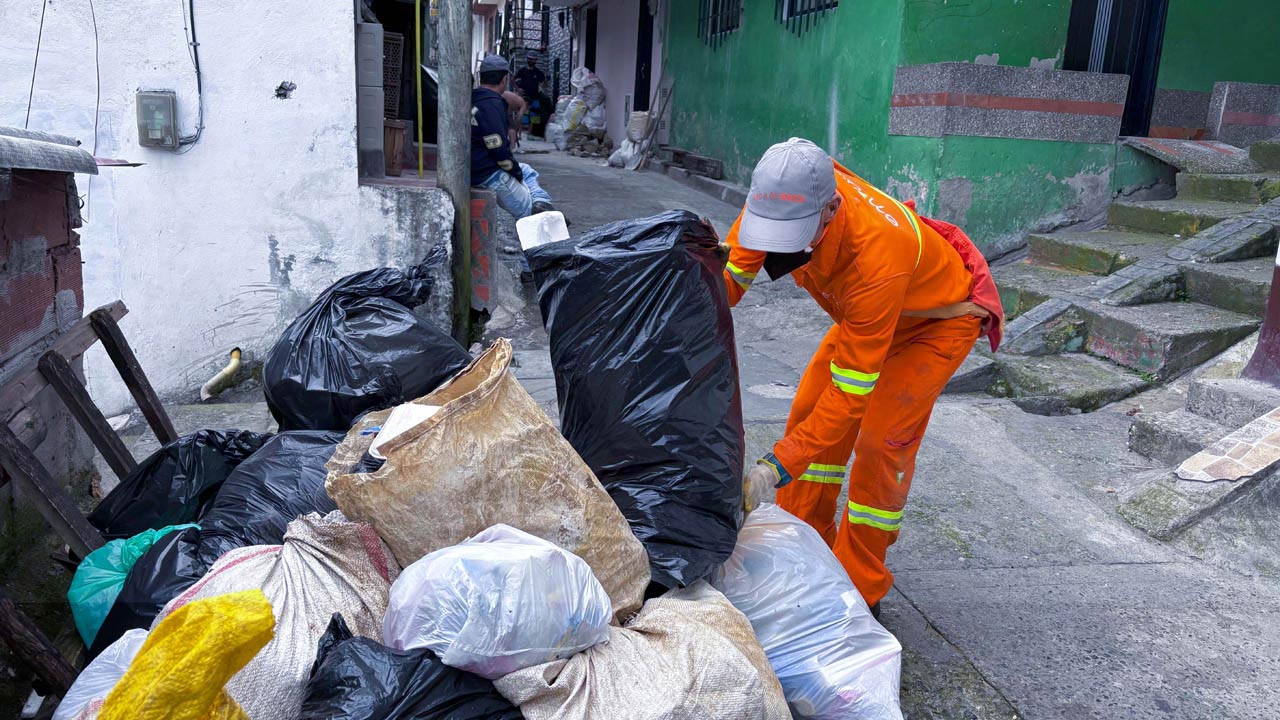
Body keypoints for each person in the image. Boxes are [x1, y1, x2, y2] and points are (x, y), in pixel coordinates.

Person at [734, 138, 1003, 617]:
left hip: (935, 325)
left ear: (832, 208)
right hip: (870, 316)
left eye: (790, 233)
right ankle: (802, 548)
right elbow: (730, 277)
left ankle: (860, 584)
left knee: (881, 442)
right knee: (807, 417)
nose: (776, 243)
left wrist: (772, 469)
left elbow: (849, 394)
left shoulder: (875, 254)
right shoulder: (782, 191)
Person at [471, 54, 557, 220]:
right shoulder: (492, 104)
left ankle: (542, 202)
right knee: (532, 217)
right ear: (504, 79)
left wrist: (517, 170)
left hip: (477, 165)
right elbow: (498, 149)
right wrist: (514, 172)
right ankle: (542, 217)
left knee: (528, 171)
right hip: (488, 173)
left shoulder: (475, 98)